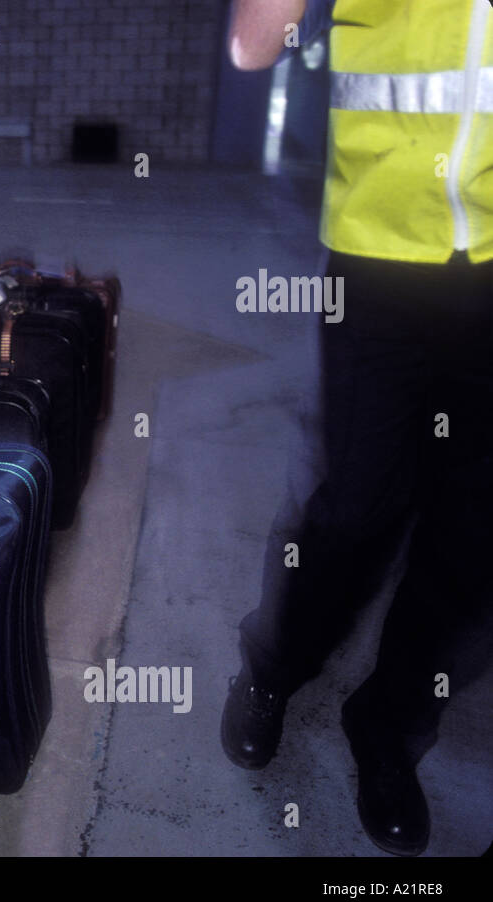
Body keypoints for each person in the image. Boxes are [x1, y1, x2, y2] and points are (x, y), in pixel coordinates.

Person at [222, 0, 492, 856]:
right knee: (352, 514)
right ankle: (272, 667)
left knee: (475, 540)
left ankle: (390, 725)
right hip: (381, 256)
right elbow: (250, 45)